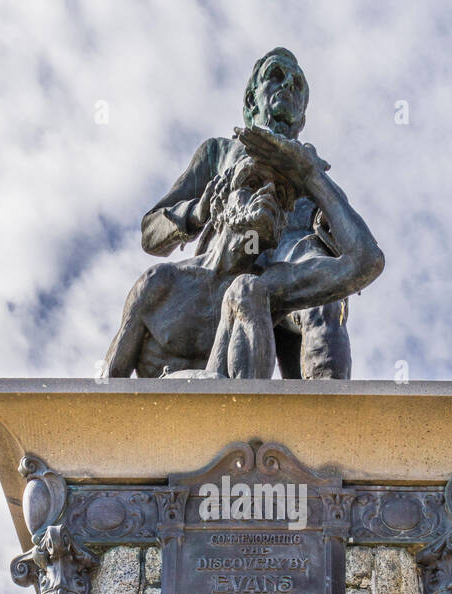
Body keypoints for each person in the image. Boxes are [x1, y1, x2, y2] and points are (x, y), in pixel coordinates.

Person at [139, 47, 358, 379]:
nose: (288, 87)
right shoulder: (219, 152)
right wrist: (195, 213)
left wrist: (328, 222)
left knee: (329, 300)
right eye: (276, 76)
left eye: (297, 85)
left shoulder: (309, 166)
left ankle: (328, 421)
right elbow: (150, 231)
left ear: (301, 117)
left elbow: (355, 248)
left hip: (292, 257)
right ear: (251, 99)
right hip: (229, 261)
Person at [105, 127, 382, 380]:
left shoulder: (269, 286)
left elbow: (366, 262)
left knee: (246, 289)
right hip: (166, 419)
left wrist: (312, 176)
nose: (268, 196)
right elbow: (109, 383)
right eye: (252, 184)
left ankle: (306, 428)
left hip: (234, 420)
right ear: (220, 202)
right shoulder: (161, 283)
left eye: (281, 195)